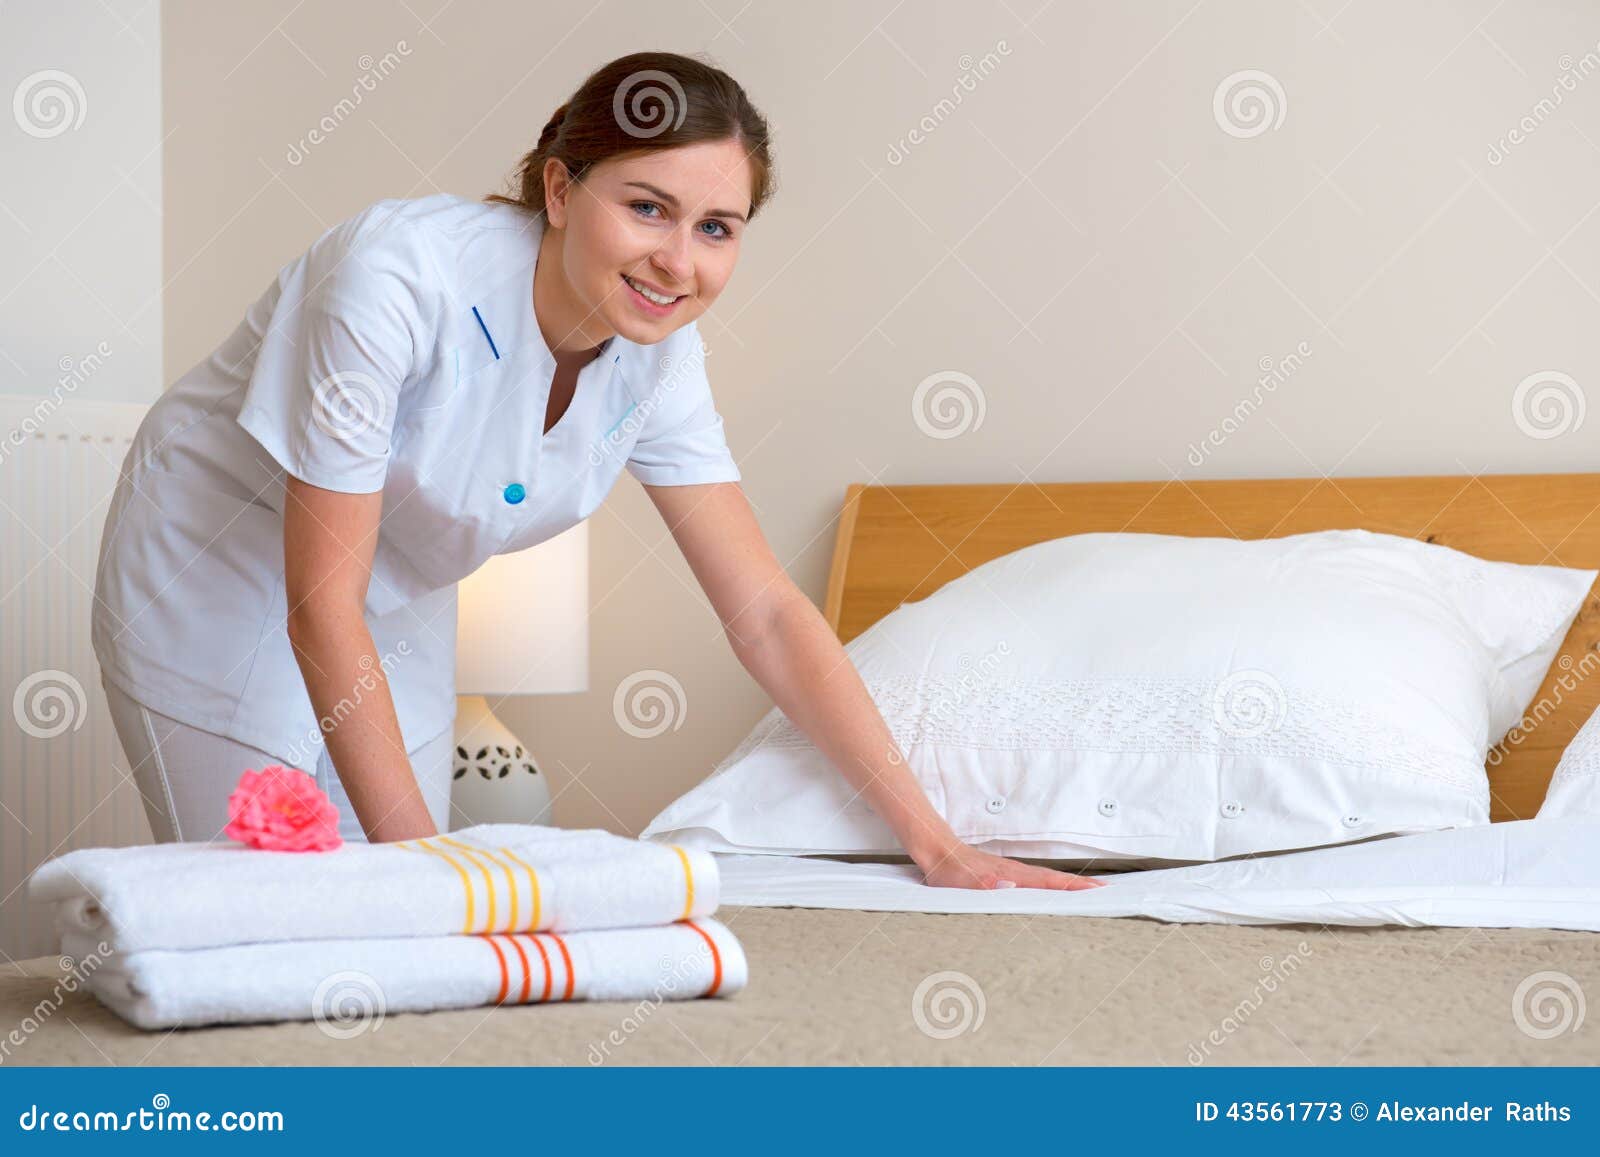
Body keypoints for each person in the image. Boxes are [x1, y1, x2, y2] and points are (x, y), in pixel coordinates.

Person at [91, 50, 1103, 892]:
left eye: (716, 228)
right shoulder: (394, 279)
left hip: (394, 590)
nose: (679, 261)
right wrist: (435, 885)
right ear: (559, 189)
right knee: (276, 890)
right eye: (648, 207)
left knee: (390, 904)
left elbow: (765, 613)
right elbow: (321, 605)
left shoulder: (662, 360)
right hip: (216, 562)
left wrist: (937, 845)